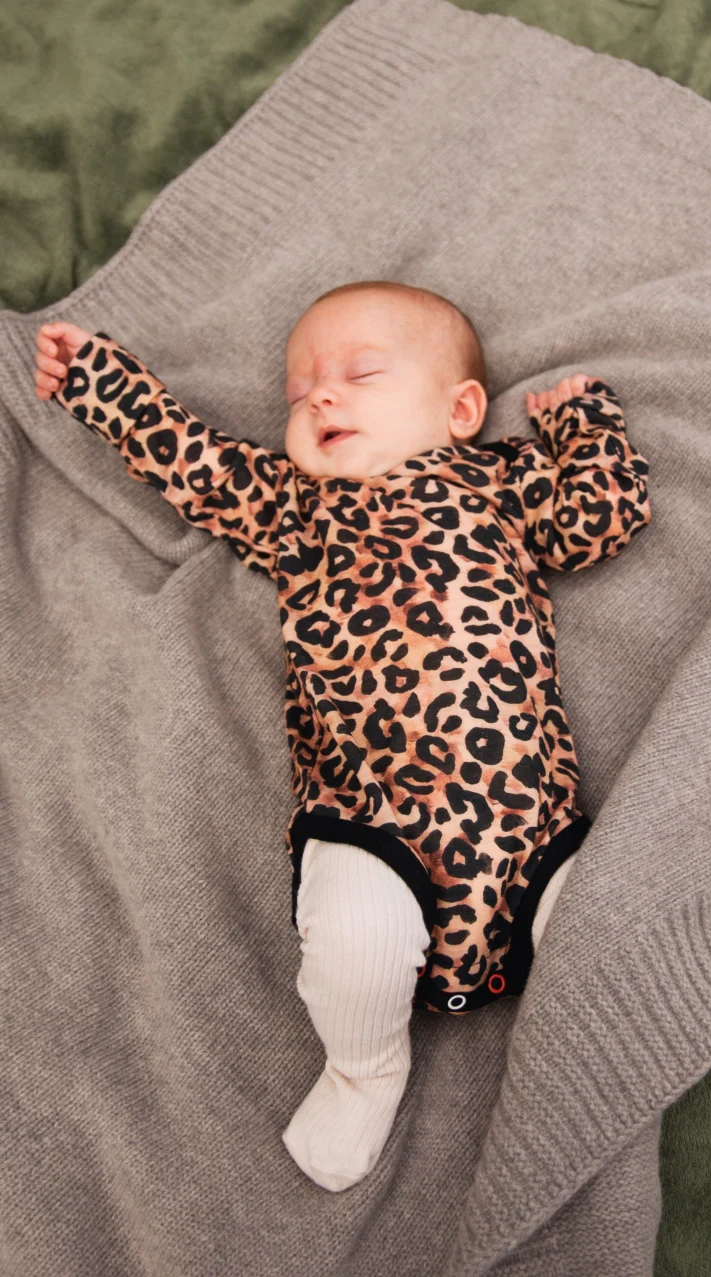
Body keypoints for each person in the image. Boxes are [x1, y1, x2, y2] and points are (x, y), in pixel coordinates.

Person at [32, 279, 652, 1192]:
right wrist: (101, 382)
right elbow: (192, 462)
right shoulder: (294, 506)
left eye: (359, 375)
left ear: (460, 412)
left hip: (530, 826)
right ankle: (365, 1067)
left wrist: (583, 423)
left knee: (611, 926)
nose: (321, 396)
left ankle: (587, 1065)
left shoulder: (500, 482)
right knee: (351, 942)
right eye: (300, 392)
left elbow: (603, 516)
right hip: (373, 817)